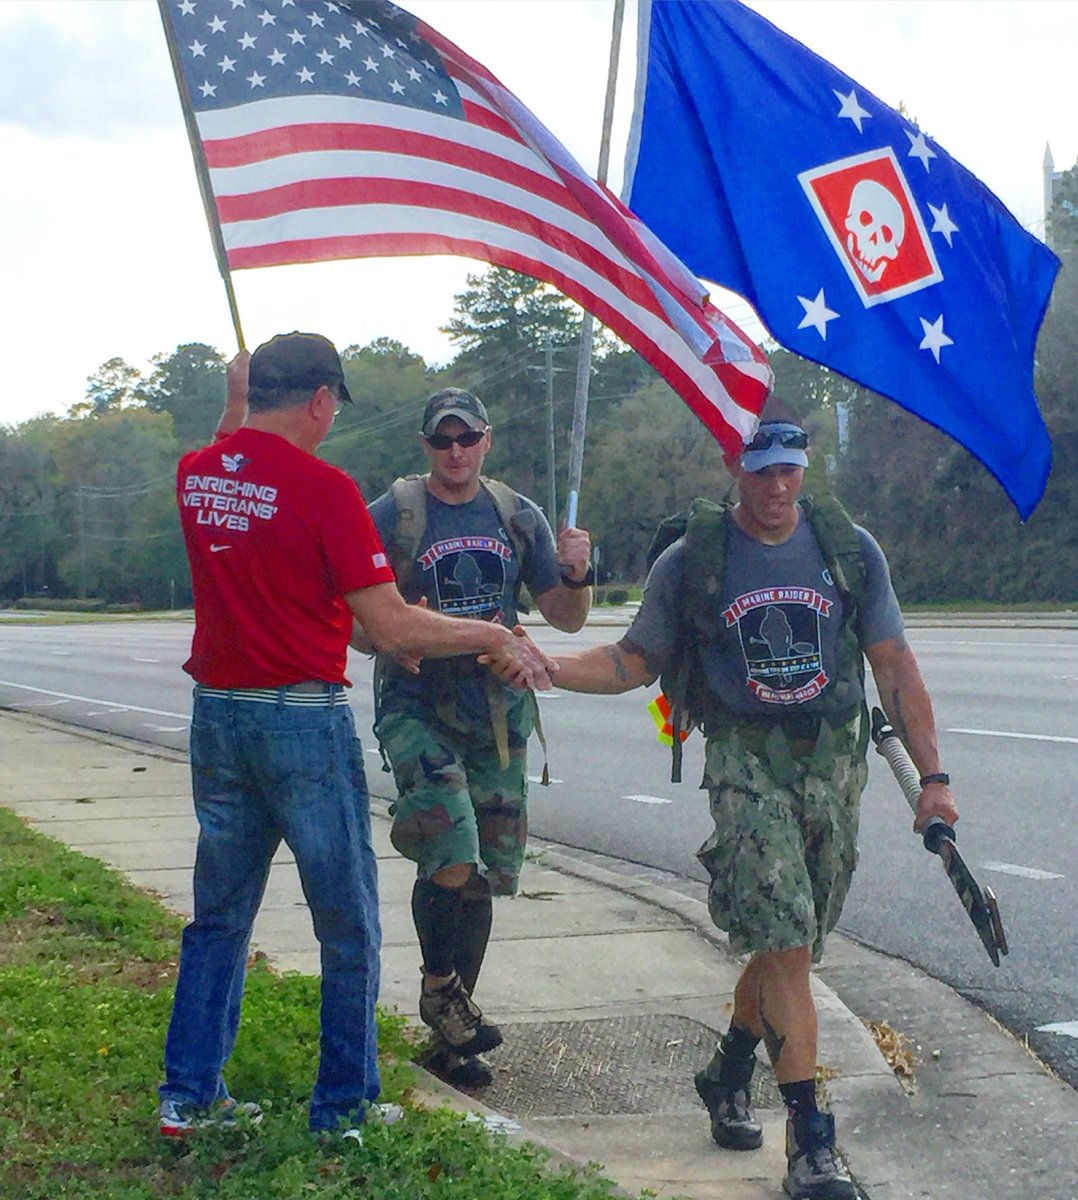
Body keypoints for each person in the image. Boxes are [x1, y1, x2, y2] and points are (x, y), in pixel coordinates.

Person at [515, 406, 959, 1200]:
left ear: (805, 468)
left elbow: (894, 663)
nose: (777, 485)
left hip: (833, 766)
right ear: (735, 469)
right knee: (786, 946)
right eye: (761, 471)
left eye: (789, 469)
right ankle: (811, 1144)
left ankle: (726, 1073)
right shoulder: (694, 559)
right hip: (745, 764)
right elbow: (633, 660)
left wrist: (934, 780)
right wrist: (549, 666)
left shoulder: (848, 549)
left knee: (795, 941)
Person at [160, 333, 553, 1140]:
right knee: (347, 923)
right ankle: (342, 1105)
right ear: (318, 400)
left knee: (218, 917)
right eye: (332, 403)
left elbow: (227, 444)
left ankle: (188, 1096)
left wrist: (233, 399)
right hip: (300, 720)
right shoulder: (325, 490)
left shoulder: (198, 475)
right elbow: (392, 625)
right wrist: (491, 634)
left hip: (218, 715)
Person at [359, 387, 593, 1088]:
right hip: (417, 706)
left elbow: (567, 616)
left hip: (495, 711)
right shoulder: (395, 514)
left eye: (467, 438)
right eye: (442, 439)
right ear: (425, 445)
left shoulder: (516, 515)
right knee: (451, 846)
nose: (455, 451)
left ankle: (454, 1037)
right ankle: (440, 989)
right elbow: (342, 609)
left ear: (486, 440)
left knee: (484, 870)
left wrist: (578, 573)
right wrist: (386, 639)